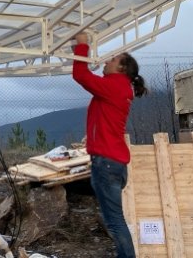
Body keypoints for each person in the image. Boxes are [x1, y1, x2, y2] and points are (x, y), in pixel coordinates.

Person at [71, 32, 147, 258]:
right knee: (113, 219)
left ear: (122, 68)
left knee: (114, 222)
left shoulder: (115, 86)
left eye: (112, 59)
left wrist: (83, 46)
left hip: (106, 165)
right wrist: (78, 49)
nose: (106, 61)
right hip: (109, 164)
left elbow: (81, 75)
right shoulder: (117, 87)